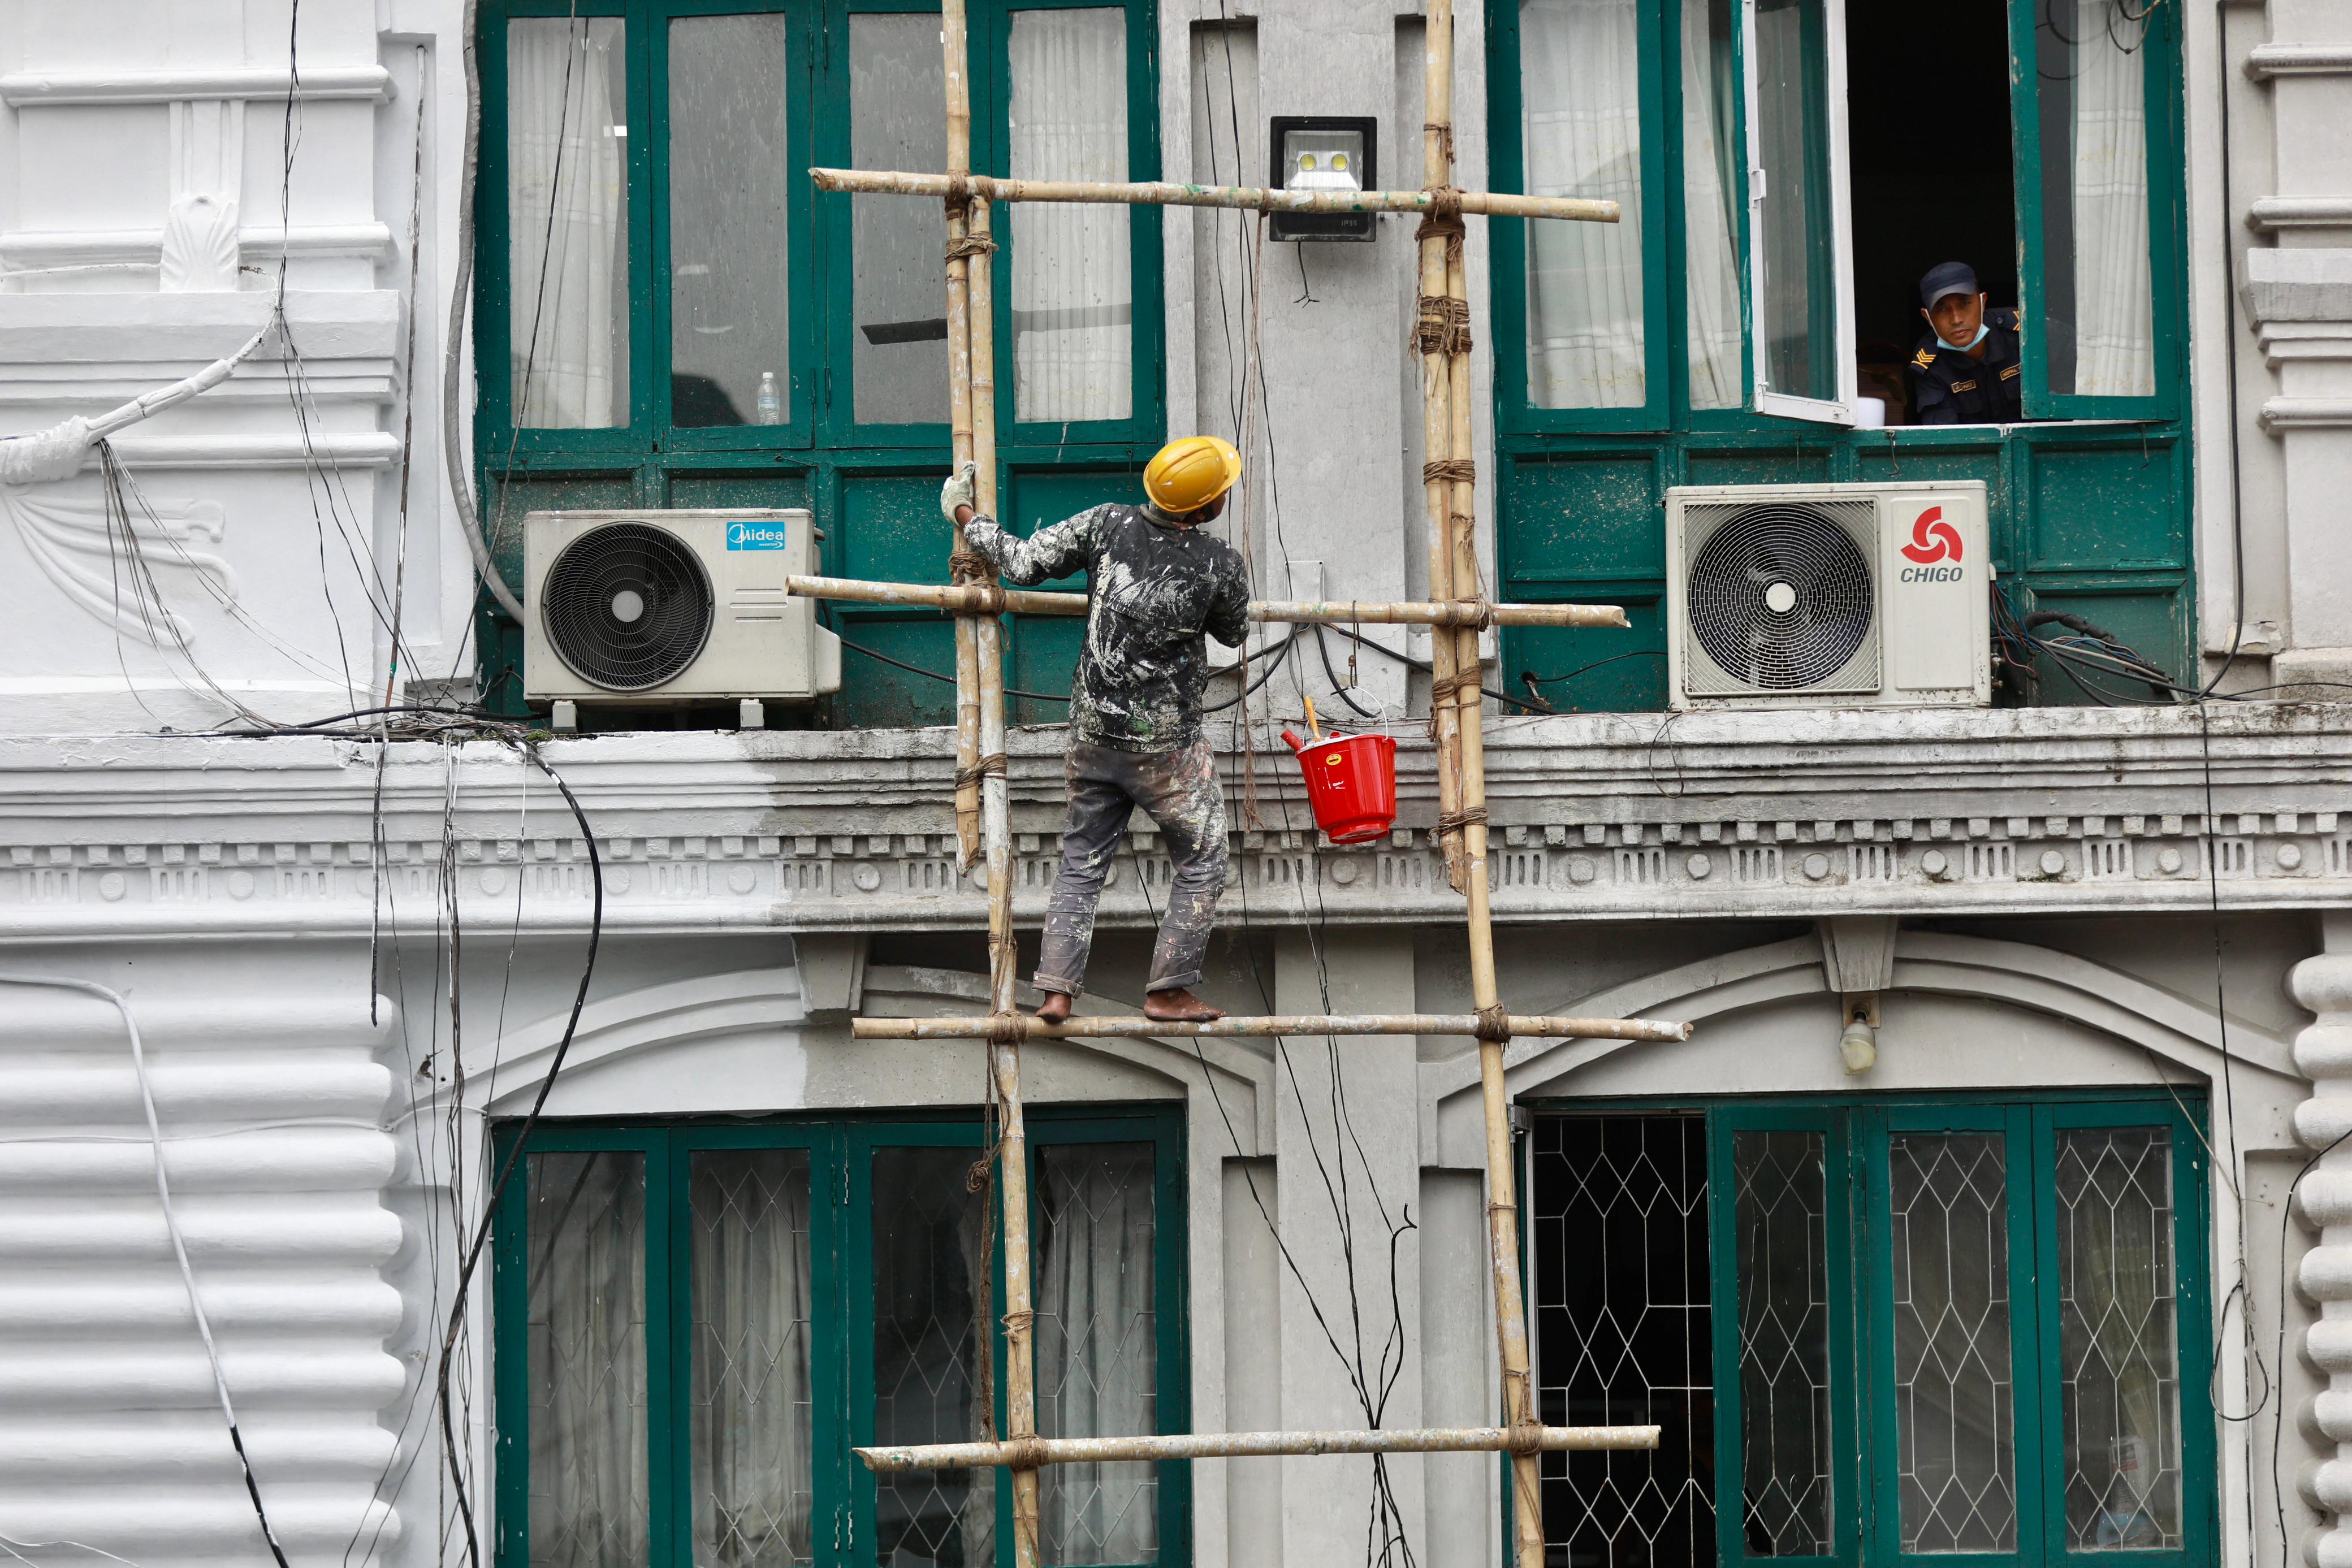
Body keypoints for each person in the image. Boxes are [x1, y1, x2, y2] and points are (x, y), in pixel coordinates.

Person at [942, 436, 1252, 1024]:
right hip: (1165, 750)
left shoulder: (1106, 523)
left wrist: (964, 515)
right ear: (1204, 507)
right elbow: (1233, 632)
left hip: (1091, 733)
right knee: (1205, 855)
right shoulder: (1218, 563)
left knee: (1082, 859)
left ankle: (1056, 989)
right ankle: (1167, 990)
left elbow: (1024, 561)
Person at [1909, 261, 2023, 425]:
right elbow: (1944, 435)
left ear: (1983, 302)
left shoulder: (2022, 334)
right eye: (1941, 309)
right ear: (1927, 317)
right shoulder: (1930, 363)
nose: (1956, 319)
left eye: (1964, 304)